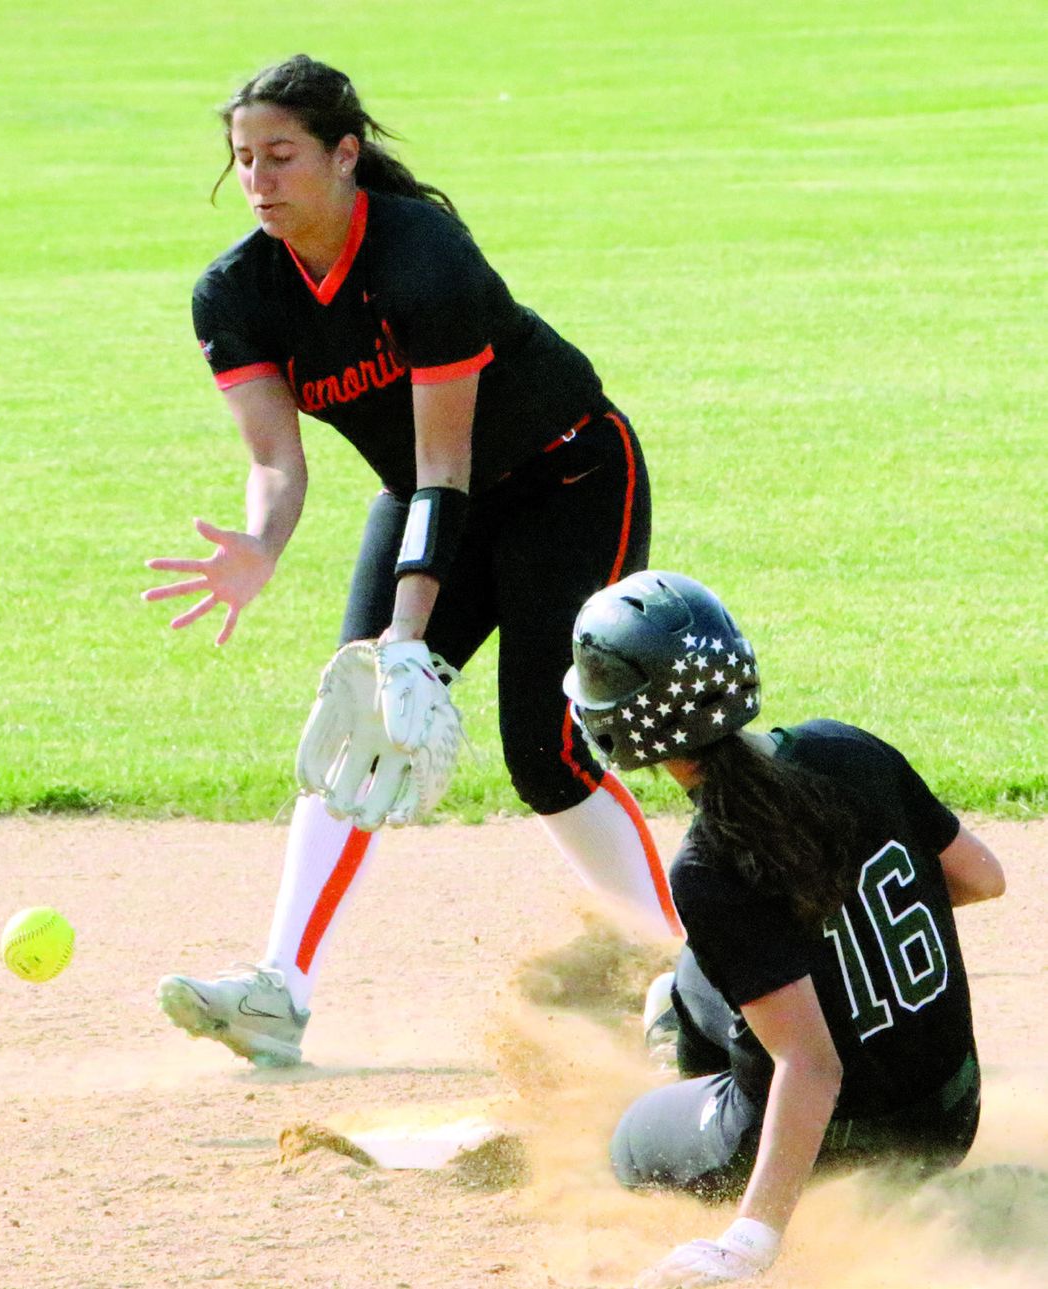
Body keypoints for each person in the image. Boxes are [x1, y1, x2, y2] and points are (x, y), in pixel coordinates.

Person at [143, 55, 682, 1068]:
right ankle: (278, 991)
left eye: (283, 155)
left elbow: (448, 461)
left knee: (545, 748)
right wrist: (261, 543)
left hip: (565, 478)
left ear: (346, 155)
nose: (260, 177)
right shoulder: (234, 294)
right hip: (433, 494)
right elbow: (277, 461)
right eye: (243, 159)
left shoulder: (422, 254)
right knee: (357, 722)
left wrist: (405, 631)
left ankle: (686, 978)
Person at [562, 571, 1005, 1288]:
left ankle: (697, 1080)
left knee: (628, 1147)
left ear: (623, 724)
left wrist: (749, 1242)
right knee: (694, 976)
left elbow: (813, 1066)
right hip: (954, 1114)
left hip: (842, 1143)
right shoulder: (846, 747)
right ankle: (684, 1028)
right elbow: (983, 878)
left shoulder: (706, 866)